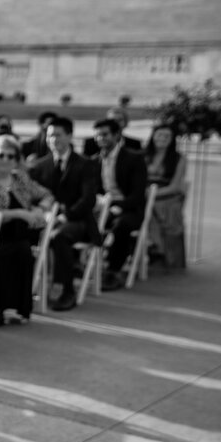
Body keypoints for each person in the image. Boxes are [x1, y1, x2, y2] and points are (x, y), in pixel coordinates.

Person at [27, 116, 99, 312]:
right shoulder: (39, 166)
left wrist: (64, 216)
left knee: (59, 237)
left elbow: (88, 200)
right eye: (50, 136)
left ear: (69, 136)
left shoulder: (85, 164)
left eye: (58, 135)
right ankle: (25, 288)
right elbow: (32, 197)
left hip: (77, 221)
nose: (53, 140)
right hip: (45, 219)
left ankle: (66, 290)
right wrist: (43, 212)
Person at [0, 135, 54, 325]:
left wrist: (40, 208)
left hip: (20, 236)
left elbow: (47, 195)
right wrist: (19, 213)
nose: (5, 160)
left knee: (23, 250)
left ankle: (17, 308)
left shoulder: (20, 178)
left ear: (16, 159)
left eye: (10, 156)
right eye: (0, 155)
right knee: (6, 253)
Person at [91, 117, 148, 290]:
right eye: (98, 135)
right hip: (103, 208)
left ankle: (113, 271)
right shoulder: (93, 160)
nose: (101, 138)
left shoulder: (134, 159)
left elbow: (137, 195)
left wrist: (115, 206)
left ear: (117, 135)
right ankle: (82, 265)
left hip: (129, 209)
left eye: (105, 134)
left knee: (120, 225)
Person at [143, 122, 187, 268]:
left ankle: (157, 248)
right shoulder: (142, 155)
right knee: (146, 206)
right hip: (144, 193)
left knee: (157, 207)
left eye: (167, 136)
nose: (163, 138)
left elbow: (175, 186)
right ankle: (154, 247)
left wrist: (154, 195)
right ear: (153, 136)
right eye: (159, 134)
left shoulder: (179, 158)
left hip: (167, 194)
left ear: (172, 139)